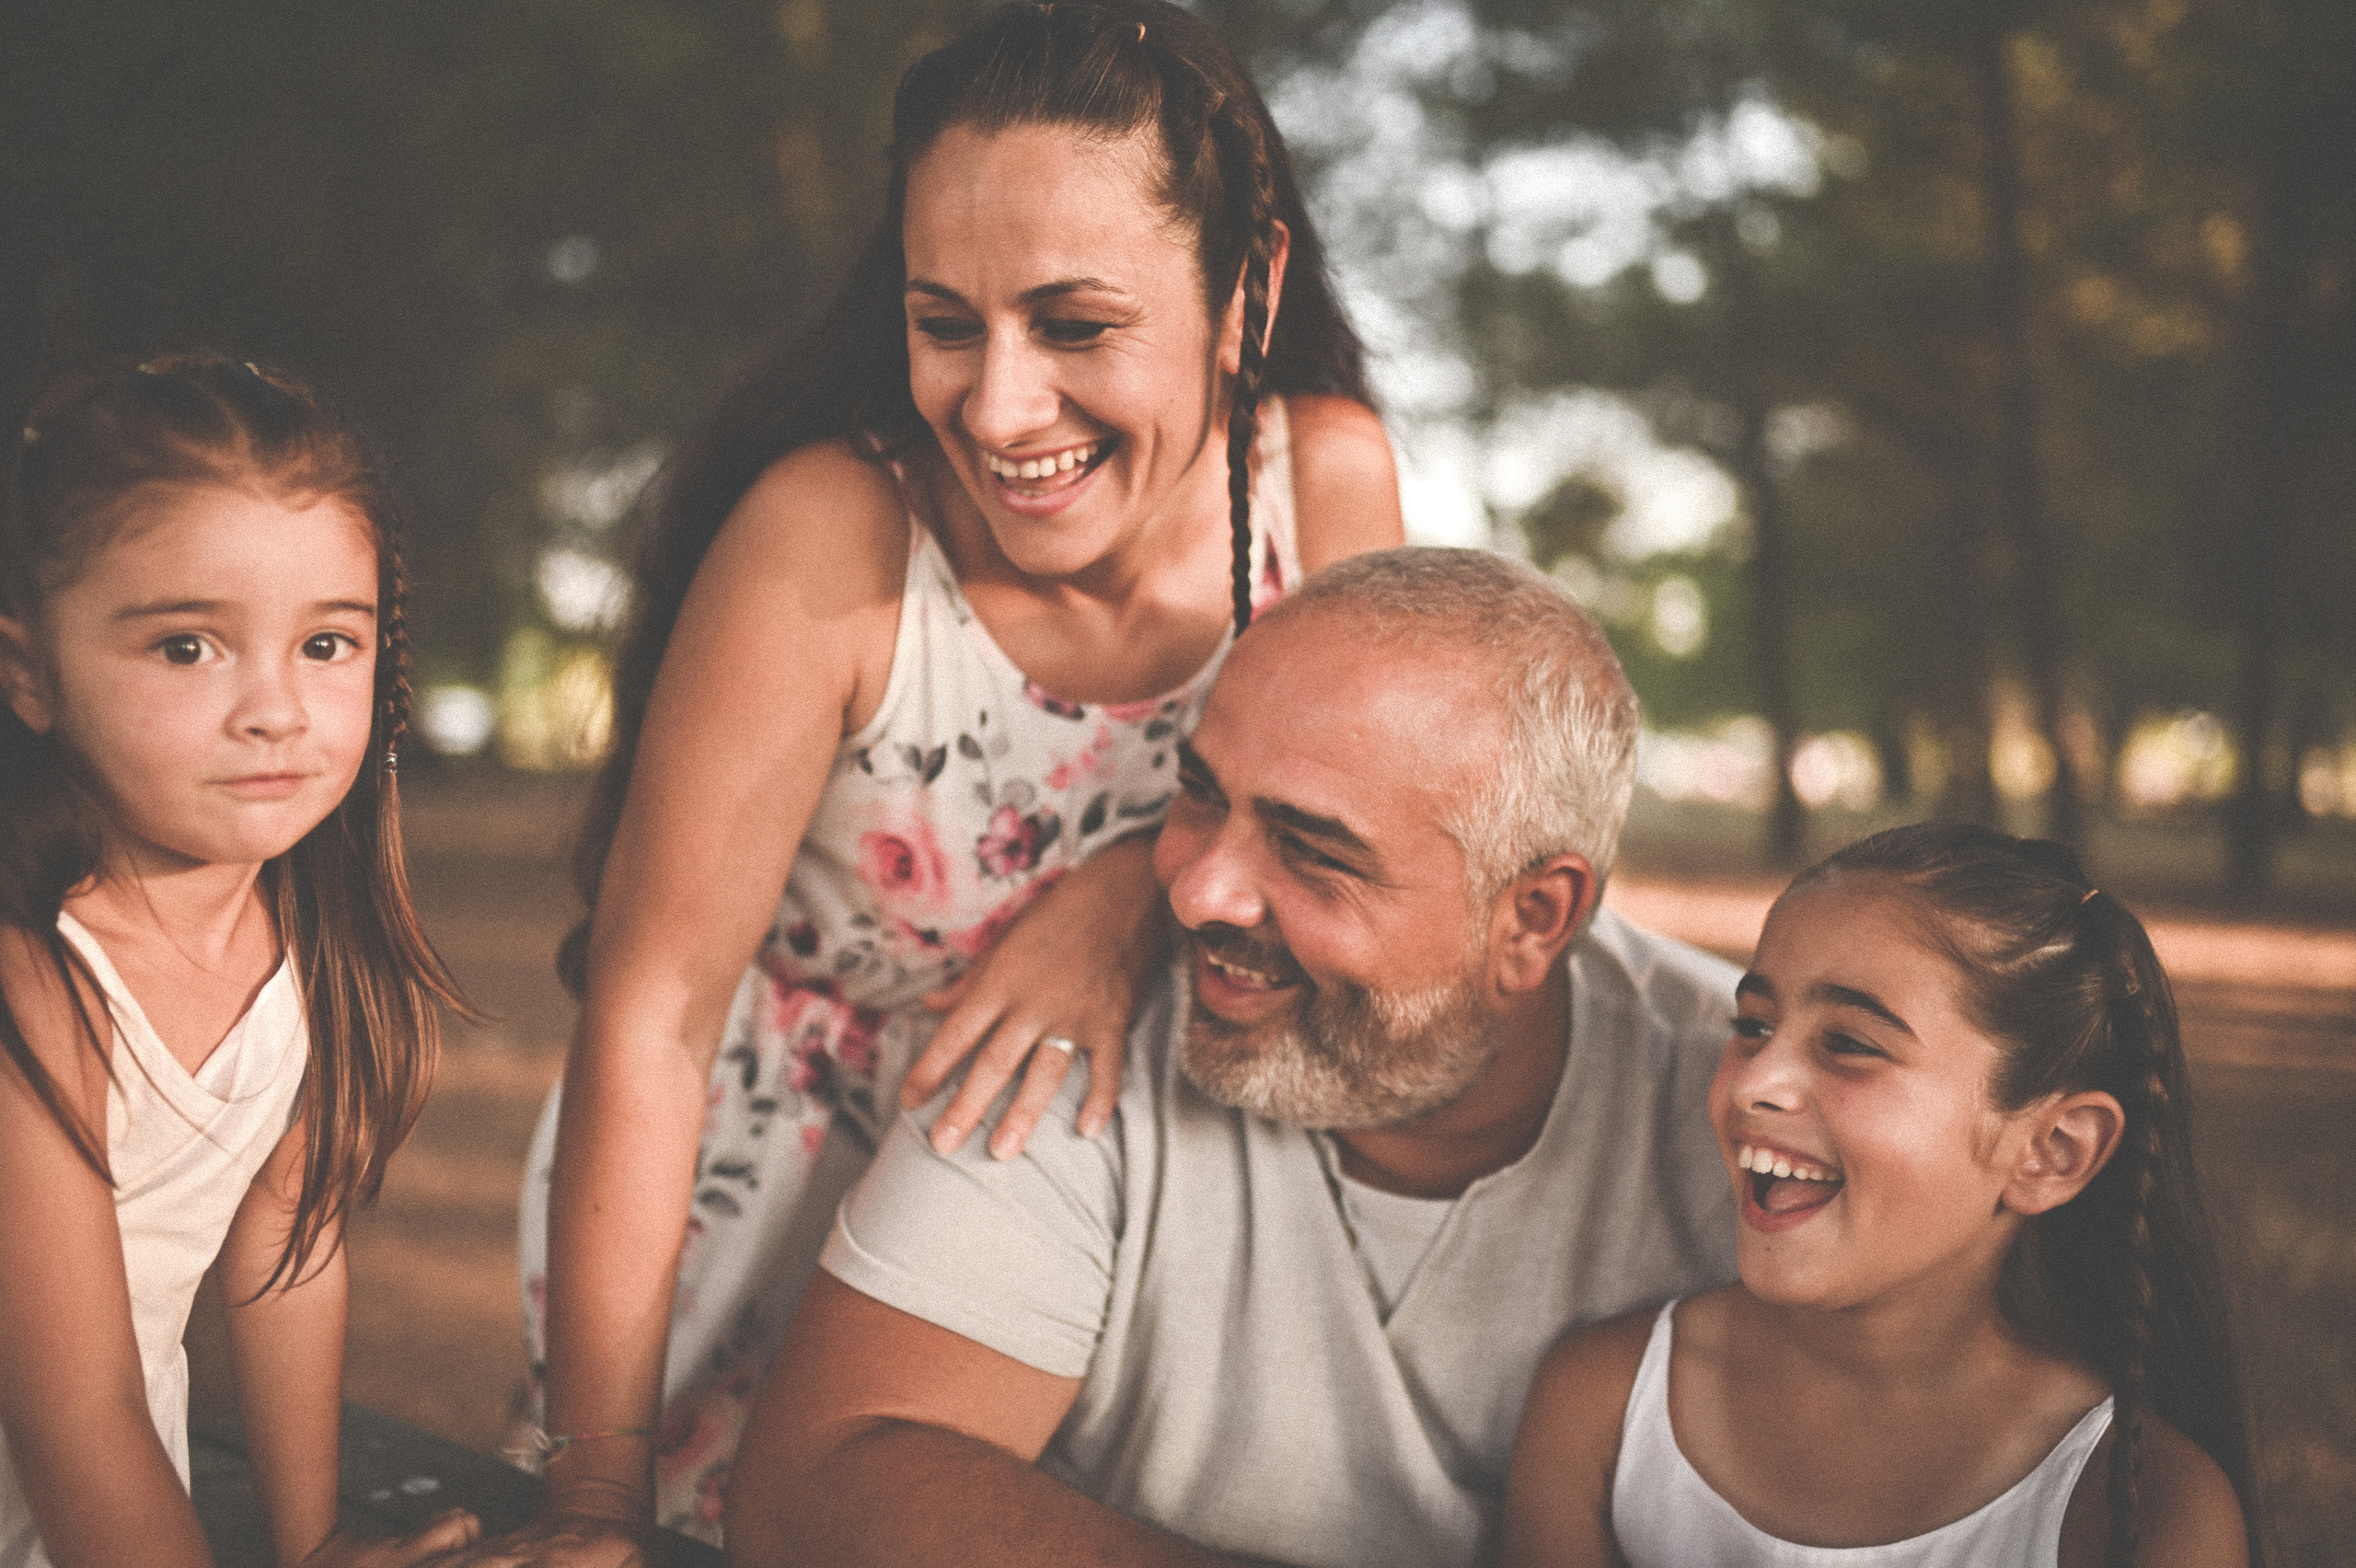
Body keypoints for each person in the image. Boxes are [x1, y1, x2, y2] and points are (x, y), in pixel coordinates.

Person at [507, 0, 1403, 1552]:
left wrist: (1131, 885)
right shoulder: (834, 534)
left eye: (1075, 323)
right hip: (785, 1248)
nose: (997, 406)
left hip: (1143, 1256)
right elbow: (652, 1013)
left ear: (1244, 289)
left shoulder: (1322, 487)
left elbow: (1369, 839)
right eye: (946, 321)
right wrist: (595, 1492)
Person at [722, 548, 1739, 1567]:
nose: (1197, 893)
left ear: (1532, 918)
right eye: (1201, 796)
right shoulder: (1085, 1018)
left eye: (1311, 848)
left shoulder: (1746, 1114)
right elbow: (816, 1483)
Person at [0, 352, 479, 1568]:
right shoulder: (35, 984)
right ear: (29, 675)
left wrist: (307, 1537)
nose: (274, 709)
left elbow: (286, 1246)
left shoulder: (302, 941)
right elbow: (75, 1413)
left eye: (327, 647)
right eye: (187, 649)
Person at [1500, 823, 2261, 1567]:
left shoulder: (2141, 1509)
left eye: (1852, 1044)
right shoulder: (1603, 1405)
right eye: (1753, 1024)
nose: (1756, 1082)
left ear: (2050, 1152)